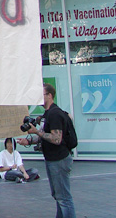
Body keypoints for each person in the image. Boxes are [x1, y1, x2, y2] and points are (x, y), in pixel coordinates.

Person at [18, 83, 76, 218]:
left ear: (49, 95)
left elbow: (56, 138)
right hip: (53, 159)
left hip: (59, 159)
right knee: (58, 196)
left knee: (64, 198)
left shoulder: (55, 114)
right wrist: (29, 140)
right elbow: (45, 135)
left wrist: (36, 131)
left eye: (41, 95)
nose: (38, 98)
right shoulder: (48, 114)